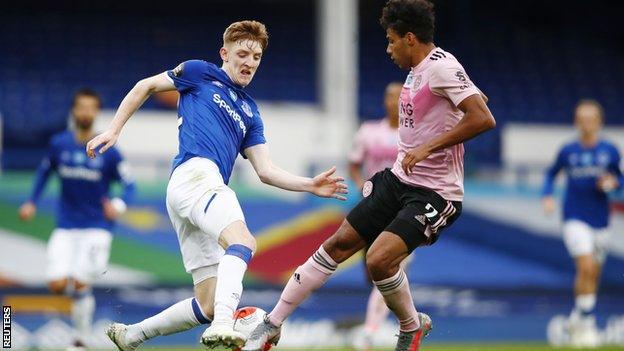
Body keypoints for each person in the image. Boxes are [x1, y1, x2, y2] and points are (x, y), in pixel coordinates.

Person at [242, 1, 495, 350]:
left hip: (436, 193)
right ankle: (272, 324)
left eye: (391, 41)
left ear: (410, 38)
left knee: (379, 260)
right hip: (397, 180)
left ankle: (410, 325)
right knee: (337, 245)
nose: (388, 49)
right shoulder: (420, 69)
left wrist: (428, 148)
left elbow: (483, 117)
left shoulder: (441, 67)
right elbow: (473, 96)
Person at [85, 20, 347, 350]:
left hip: (193, 191)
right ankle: (225, 323)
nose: (250, 62)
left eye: (257, 57)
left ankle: (133, 335)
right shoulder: (199, 72)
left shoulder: (251, 112)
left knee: (207, 304)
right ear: (225, 53)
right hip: (196, 175)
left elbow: (265, 171)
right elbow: (145, 86)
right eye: (243, 53)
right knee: (243, 241)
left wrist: (310, 184)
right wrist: (114, 130)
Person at [18, 89, 135, 351]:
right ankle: (80, 329)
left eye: (91, 107)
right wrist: (31, 202)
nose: (86, 112)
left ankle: (80, 341)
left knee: (81, 280)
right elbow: (44, 173)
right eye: (81, 107)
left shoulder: (108, 148)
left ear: (96, 112)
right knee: (58, 284)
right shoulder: (59, 144)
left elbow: (130, 183)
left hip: (97, 227)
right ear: (74, 110)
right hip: (66, 226)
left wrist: (118, 204)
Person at [542, 99, 623, 348]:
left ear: (599, 121)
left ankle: (576, 319)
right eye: (582, 119)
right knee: (586, 266)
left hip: (601, 219)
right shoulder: (569, 151)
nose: (586, 124)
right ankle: (587, 323)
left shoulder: (610, 150)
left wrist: (613, 184)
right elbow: (551, 173)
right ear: (577, 122)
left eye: (591, 119)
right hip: (574, 217)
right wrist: (548, 196)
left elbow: (618, 179)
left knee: (593, 273)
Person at [349, 82, 404, 351]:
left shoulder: (414, 133)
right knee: (375, 276)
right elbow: (353, 163)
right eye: (390, 96)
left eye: (399, 96)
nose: (394, 101)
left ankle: (370, 333)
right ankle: (411, 322)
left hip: (404, 213)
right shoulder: (369, 132)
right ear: (384, 101)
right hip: (372, 210)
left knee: (388, 267)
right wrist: (362, 185)